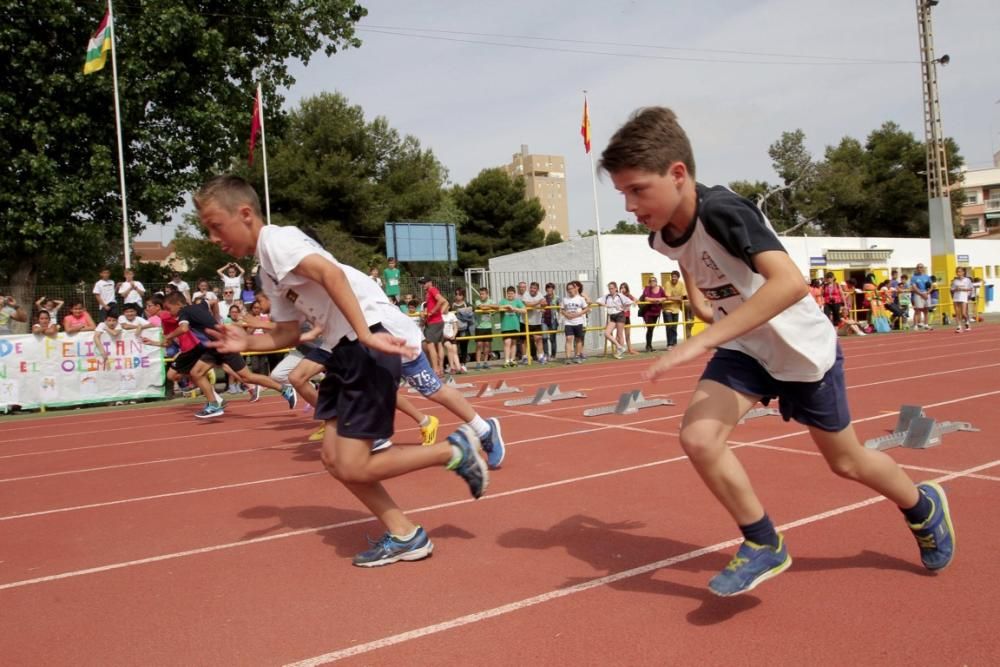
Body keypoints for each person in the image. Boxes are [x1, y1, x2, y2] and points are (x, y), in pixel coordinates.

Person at [601, 106, 955, 597]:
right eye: (622, 193)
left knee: (847, 463)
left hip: (802, 353)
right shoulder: (660, 236)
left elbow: (790, 283)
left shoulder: (726, 210)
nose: (629, 205)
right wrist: (703, 300)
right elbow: (689, 257)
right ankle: (763, 542)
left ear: (678, 174)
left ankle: (922, 506)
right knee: (700, 438)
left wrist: (701, 339)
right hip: (746, 349)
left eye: (637, 190)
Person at [194, 174, 490, 567]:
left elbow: (331, 274)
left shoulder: (277, 241)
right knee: (335, 460)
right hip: (344, 350)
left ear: (245, 214)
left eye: (216, 226)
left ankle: (454, 450)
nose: (214, 239)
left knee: (353, 462)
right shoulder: (268, 267)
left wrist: (366, 334)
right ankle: (405, 534)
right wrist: (246, 343)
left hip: (364, 345)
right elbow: (286, 331)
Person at [419, 277, 449, 377]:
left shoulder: (432, 289)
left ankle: (435, 369)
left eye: (424, 283)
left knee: (431, 346)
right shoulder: (428, 293)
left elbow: (441, 300)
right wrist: (430, 313)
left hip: (434, 322)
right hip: (436, 321)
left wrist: (433, 312)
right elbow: (444, 302)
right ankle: (440, 369)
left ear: (429, 282)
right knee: (439, 345)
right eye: (421, 283)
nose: (422, 285)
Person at [600, 281, 632, 359]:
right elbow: (598, 300)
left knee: (619, 334)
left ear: (616, 288)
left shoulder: (620, 296)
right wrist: (605, 305)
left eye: (612, 288)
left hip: (620, 315)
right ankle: (619, 346)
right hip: (612, 316)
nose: (610, 290)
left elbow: (630, 302)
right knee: (607, 333)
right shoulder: (607, 296)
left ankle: (619, 353)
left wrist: (625, 308)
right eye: (609, 288)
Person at [560, 280, 589, 363]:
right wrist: (567, 314)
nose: (570, 290)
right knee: (568, 338)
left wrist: (579, 314)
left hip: (578, 322)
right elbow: (561, 310)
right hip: (568, 322)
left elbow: (586, 308)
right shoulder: (565, 299)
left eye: (571, 288)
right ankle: (568, 358)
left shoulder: (580, 299)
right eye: (568, 289)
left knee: (578, 339)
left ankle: (577, 356)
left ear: (575, 289)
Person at [498, 286, 526, 367]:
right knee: (507, 343)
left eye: (511, 293)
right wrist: (506, 307)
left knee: (514, 343)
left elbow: (524, 310)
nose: (510, 295)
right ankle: (506, 360)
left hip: (515, 326)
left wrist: (514, 308)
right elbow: (498, 308)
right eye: (508, 293)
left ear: (514, 294)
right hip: (506, 326)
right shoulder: (503, 301)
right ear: (506, 294)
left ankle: (512, 360)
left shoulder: (517, 301)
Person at [521, 281, 548, 364]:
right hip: (525, 321)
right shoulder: (526, 294)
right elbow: (527, 304)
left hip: (536, 321)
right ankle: (525, 357)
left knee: (538, 339)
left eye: (534, 288)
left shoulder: (540, 295)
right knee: (524, 340)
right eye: (531, 288)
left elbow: (545, 303)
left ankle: (541, 356)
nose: (532, 289)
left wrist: (542, 306)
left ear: (537, 289)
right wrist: (538, 302)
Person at [640, 276, 666, 352]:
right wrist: (656, 300)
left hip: (656, 312)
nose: (652, 282)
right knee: (650, 328)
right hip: (648, 312)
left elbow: (665, 297)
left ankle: (649, 346)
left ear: (656, 282)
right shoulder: (647, 288)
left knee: (652, 329)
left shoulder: (660, 288)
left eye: (654, 281)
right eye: (651, 281)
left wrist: (660, 299)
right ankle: (648, 346)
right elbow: (646, 298)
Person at [662, 270, 687, 349]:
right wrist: (678, 298)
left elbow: (684, 297)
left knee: (674, 327)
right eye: (672, 277)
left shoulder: (681, 284)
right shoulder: (667, 283)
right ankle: (669, 344)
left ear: (678, 277)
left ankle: (674, 343)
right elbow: (667, 297)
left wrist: (679, 298)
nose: (673, 278)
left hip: (676, 308)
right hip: (667, 308)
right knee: (669, 326)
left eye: (675, 277)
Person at [473, 286, 496, 370]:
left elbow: (497, 307)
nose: (481, 295)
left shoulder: (491, 301)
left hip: (488, 327)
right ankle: (478, 363)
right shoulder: (477, 301)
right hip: (479, 327)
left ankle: (486, 362)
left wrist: (488, 306)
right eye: (480, 294)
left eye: (483, 294)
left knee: (487, 345)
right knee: (479, 345)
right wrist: (490, 307)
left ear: (487, 294)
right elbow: (481, 307)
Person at [541, 282, 561, 359]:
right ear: (546, 289)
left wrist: (559, 319)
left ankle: (553, 355)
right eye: (548, 288)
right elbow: (540, 308)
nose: (549, 290)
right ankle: (546, 354)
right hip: (544, 320)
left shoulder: (557, 298)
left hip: (553, 320)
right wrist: (541, 310)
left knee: (552, 338)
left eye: (551, 288)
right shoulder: (543, 298)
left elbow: (560, 309)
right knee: (544, 337)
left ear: (553, 289)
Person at [950, 267, 973, 333]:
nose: (958, 273)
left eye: (960, 271)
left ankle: (967, 322)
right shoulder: (955, 281)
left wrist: (963, 290)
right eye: (957, 272)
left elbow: (971, 288)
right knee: (957, 314)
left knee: (963, 313)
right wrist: (956, 289)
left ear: (963, 272)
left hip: (963, 297)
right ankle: (959, 327)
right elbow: (952, 289)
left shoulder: (967, 280)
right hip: (956, 297)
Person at [618, 282, 639, 354]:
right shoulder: (618, 296)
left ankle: (630, 349)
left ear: (627, 289)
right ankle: (619, 349)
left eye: (624, 288)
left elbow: (636, 299)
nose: (623, 289)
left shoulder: (628, 296)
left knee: (628, 335)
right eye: (621, 288)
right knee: (619, 335)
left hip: (627, 317)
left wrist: (635, 302)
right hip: (620, 317)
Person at [910, 263, 933, 330]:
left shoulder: (927, 276)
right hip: (918, 294)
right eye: (918, 267)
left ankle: (926, 324)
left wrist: (927, 293)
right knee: (917, 310)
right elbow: (914, 287)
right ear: (916, 269)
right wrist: (921, 294)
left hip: (926, 293)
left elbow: (931, 286)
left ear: (923, 268)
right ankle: (915, 325)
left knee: (926, 310)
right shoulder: (914, 277)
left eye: (921, 267)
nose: (920, 269)